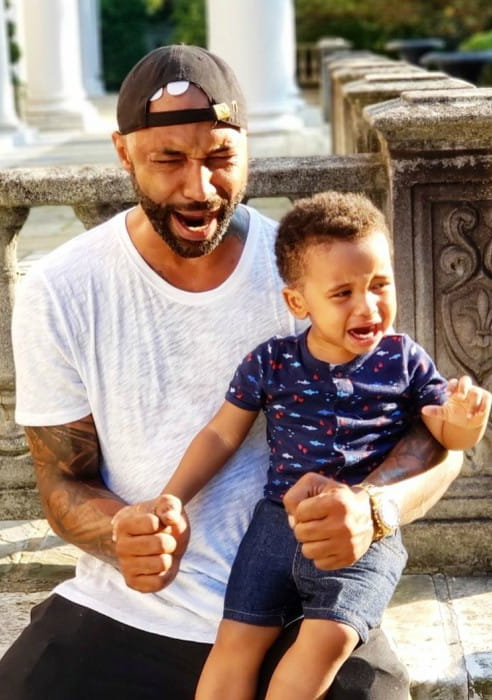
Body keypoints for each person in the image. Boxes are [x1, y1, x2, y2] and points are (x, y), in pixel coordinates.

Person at [0, 44, 462, 700]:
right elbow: (62, 479)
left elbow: (441, 440)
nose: (200, 187)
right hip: (128, 609)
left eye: (219, 157)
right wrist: (117, 531)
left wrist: (377, 509)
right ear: (123, 152)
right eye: (170, 160)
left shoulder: (316, 276)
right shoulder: (62, 288)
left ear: (248, 147)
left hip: (302, 609)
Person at [160, 191, 491, 699]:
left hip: (364, 535)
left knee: (328, 640)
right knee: (237, 641)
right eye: (343, 294)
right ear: (298, 302)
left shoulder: (404, 360)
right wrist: (174, 497)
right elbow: (220, 433)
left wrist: (464, 420)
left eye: (380, 285)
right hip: (275, 525)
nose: (369, 306)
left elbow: (444, 440)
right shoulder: (272, 361)